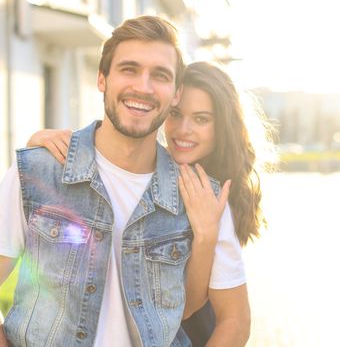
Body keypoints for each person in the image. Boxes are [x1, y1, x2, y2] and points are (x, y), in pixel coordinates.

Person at [0, 16, 250, 347]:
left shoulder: (203, 200)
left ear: (175, 93)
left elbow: (229, 318)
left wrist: (206, 236)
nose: (143, 86)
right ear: (102, 79)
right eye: (129, 69)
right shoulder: (38, 171)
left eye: (160, 75)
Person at [28, 61, 269, 346]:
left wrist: (206, 234)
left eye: (201, 119)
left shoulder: (217, 195)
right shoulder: (155, 170)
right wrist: (40, 144)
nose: (184, 130)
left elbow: (214, 315)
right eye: (176, 114)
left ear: (222, 126)